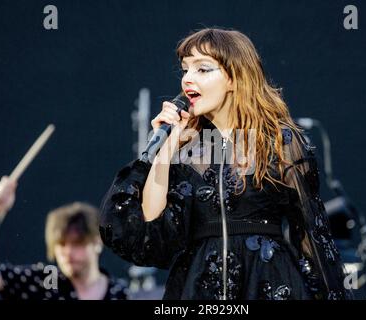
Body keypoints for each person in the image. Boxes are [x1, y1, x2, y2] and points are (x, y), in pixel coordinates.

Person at [99, 27, 351, 300]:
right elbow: (151, 222)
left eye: (202, 69)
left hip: (267, 281)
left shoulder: (279, 142)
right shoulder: (188, 149)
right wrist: (166, 148)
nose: (187, 79)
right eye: (185, 70)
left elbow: (311, 235)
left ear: (234, 77)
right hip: (200, 286)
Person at [0, 176, 129, 300]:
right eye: (61, 244)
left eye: (77, 244)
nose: (68, 252)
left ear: (97, 242)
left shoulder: (122, 294)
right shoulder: (42, 283)